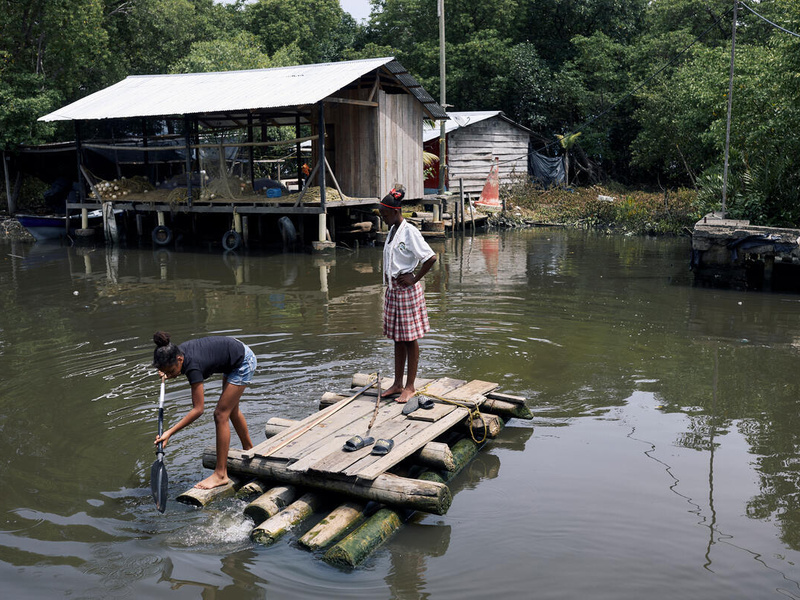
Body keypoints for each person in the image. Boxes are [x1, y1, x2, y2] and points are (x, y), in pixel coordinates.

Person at [152, 331, 256, 489]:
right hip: (233, 354)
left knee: (220, 415)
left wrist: (169, 432)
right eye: (167, 372)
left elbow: (198, 409)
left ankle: (221, 474)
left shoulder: (193, 366)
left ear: (179, 359)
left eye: (171, 371)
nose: (171, 375)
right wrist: (167, 372)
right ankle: (249, 449)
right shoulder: (176, 352)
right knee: (231, 410)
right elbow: (173, 366)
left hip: (243, 361)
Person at [378, 187, 437, 405]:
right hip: (393, 291)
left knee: (410, 339)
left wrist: (415, 278)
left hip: (407, 291)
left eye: (384, 215)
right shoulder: (392, 231)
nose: (383, 219)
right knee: (397, 339)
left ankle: (410, 386)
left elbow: (430, 258)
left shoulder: (409, 231)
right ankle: (397, 383)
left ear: (395, 212)